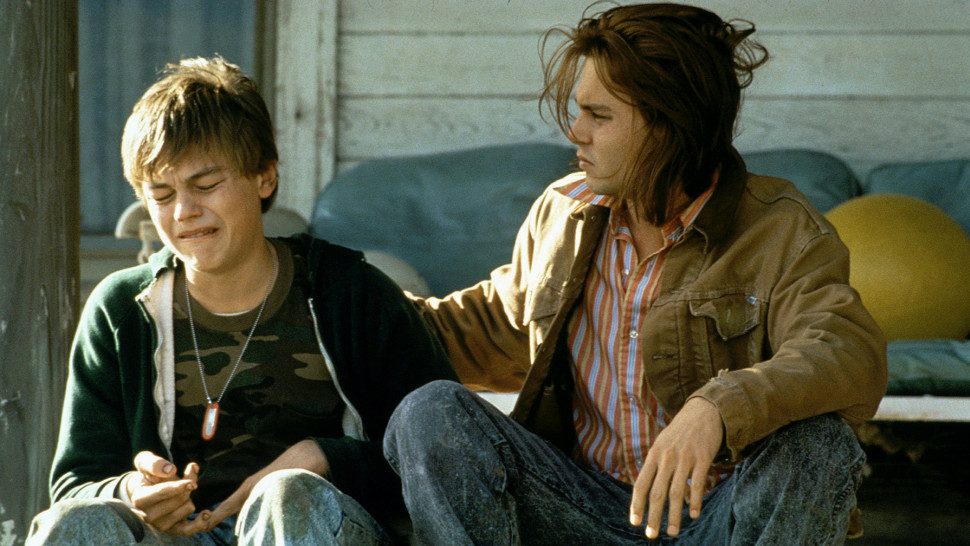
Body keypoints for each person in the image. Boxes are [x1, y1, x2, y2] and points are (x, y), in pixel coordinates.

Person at [383, 3, 887, 544]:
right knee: (429, 412)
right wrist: (344, 296)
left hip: (723, 518)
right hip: (580, 508)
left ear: (669, 126)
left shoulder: (781, 228)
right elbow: (488, 325)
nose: (575, 131)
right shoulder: (564, 211)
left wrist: (717, 407)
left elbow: (843, 349)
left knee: (818, 443)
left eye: (598, 116)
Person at [27, 56, 457, 545]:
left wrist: (325, 458)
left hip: (320, 529)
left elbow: (448, 462)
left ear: (264, 176)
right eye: (161, 195)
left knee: (288, 495)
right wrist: (130, 490)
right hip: (175, 538)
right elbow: (75, 486)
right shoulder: (121, 309)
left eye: (206, 185)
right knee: (76, 521)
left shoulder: (353, 294)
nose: (184, 212)